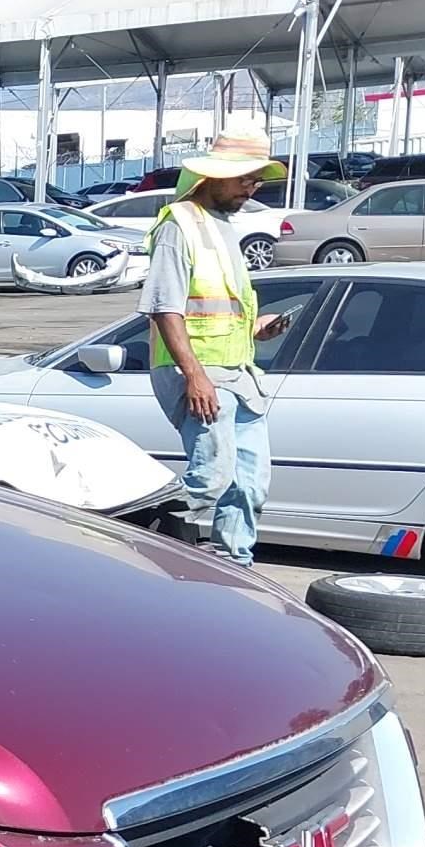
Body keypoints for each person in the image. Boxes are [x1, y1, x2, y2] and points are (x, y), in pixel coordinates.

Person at [142, 129, 294, 564]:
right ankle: (139, 537)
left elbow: (215, 309)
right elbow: (164, 308)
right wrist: (195, 376)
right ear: (215, 177)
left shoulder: (225, 226)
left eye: (256, 180)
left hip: (239, 375)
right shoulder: (179, 224)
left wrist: (256, 330)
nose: (253, 188)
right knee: (212, 475)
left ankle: (235, 564)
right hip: (198, 373)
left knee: (249, 482)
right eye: (246, 179)